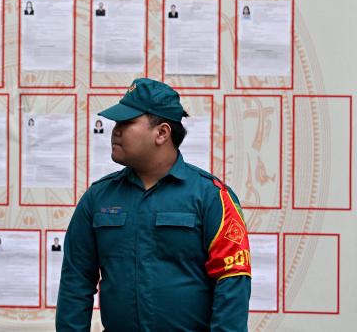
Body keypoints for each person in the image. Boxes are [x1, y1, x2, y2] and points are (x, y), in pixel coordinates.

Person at [56, 78, 251, 331]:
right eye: (116, 123)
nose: (115, 130)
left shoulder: (211, 197)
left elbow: (232, 281)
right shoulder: (98, 198)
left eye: (127, 123)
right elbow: (76, 281)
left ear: (162, 133)